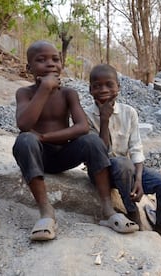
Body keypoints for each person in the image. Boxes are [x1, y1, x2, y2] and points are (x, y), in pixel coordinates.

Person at [12, 41, 138, 241]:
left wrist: (44, 137)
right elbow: (24, 124)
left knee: (91, 141)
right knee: (25, 140)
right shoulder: (24, 93)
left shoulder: (68, 93)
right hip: (37, 157)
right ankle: (46, 212)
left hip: (63, 156)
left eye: (55, 59)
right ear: (29, 68)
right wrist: (44, 89)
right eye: (41, 60)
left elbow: (82, 127)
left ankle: (107, 209)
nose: (51, 64)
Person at [84, 64, 161, 251]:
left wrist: (138, 179)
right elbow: (100, 151)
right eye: (97, 86)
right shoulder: (86, 116)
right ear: (90, 90)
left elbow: (136, 148)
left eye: (109, 85)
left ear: (118, 88)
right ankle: (132, 212)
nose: (104, 90)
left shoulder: (129, 112)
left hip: (128, 170)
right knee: (123, 164)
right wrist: (104, 119)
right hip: (101, 174)